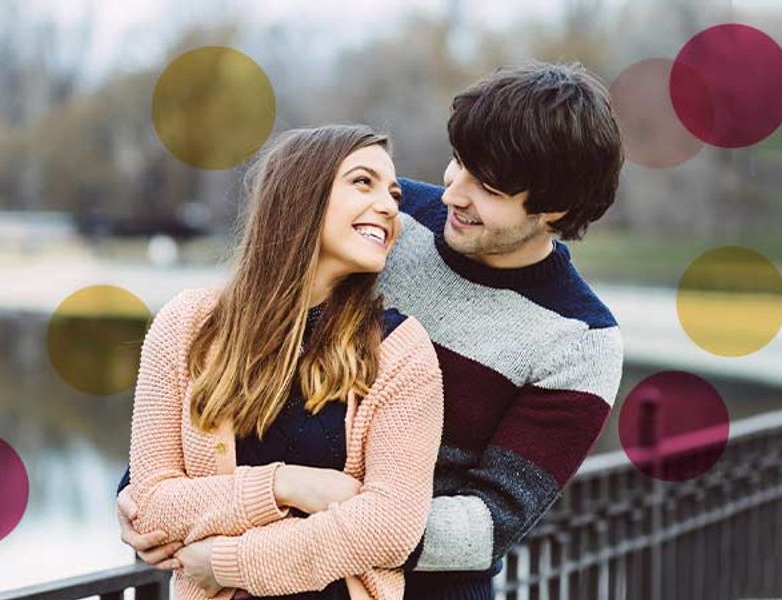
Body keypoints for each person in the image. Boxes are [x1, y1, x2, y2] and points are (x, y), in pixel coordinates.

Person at [119, 61, 625, 600]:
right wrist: (159, 498)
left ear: (554, 209)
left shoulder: (582, 340)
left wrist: (335, 526)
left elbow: (488, 525)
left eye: (489, 188)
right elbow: (253, 339)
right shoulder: (386, 218)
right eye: (460, 163)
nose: (454, 193)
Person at [121, 124, 444, 600]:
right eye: (363, 182)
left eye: (393, 192)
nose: (390, 206)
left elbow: (391, 525)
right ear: (301, 194)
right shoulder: (187, 325)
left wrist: (230, 562)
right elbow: (149, 506)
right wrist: (286, 486)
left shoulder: (400, 349)